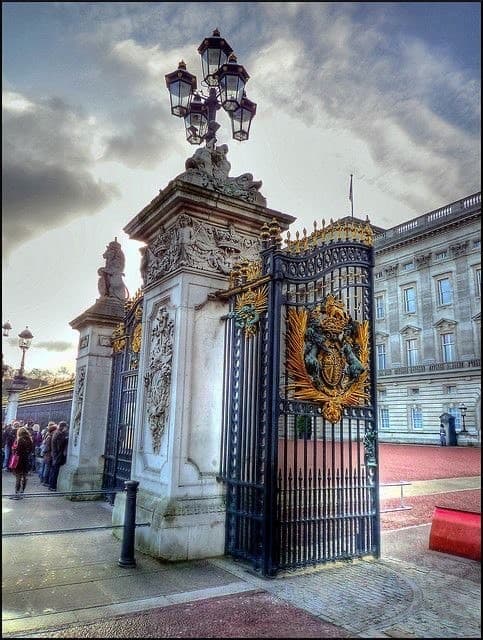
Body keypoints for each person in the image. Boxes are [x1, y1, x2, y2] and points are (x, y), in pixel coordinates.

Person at [9, 426, 34, 499]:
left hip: (19, 460)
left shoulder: (19, 439)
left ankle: (17, 492)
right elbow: (30, 450)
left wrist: (14, 450)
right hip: (26, 460)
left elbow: (17, 450)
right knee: (24, 476)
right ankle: (22, 491)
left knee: (18, 476)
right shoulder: (30, 440)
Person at [48, 421, 69, 491]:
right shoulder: (59, 434)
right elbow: (59, 446)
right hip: (57, 455)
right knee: (55, 471)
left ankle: (51, 485)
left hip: (55, 454)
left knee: (53, 471)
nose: (66, 429)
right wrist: (66, 439)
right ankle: (52, 486)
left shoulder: (56, 433)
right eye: (66, 427)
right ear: (63, 427)